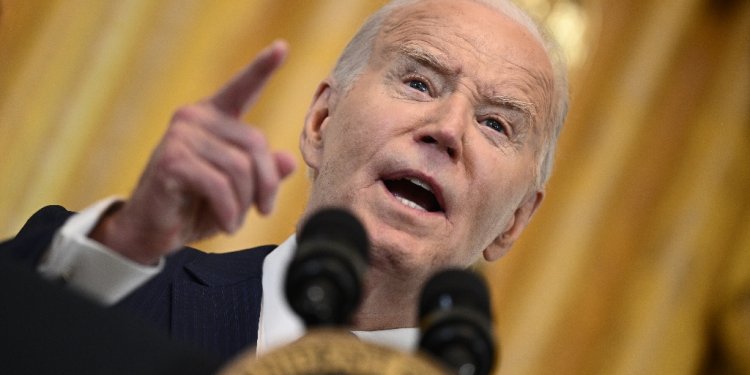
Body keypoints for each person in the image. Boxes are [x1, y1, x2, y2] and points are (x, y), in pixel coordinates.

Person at [1, 0, 567, 363]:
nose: (447, 130)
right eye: (420, 82)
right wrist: (125, 243)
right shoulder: (123, 285)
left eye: (496, 123)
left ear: (515, 220)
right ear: (321, 122)